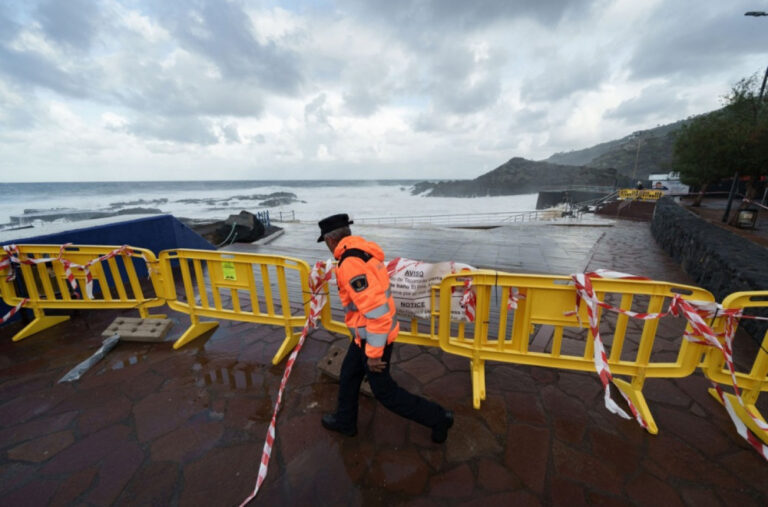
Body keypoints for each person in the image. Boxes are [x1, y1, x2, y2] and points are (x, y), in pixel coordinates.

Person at [317, 213, 453, 443]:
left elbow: (377, 312)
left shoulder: (350, 264)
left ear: (330, 241)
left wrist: (373, 354)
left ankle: (439, 418)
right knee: (349, 375)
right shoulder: (363, 251)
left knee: (386, 393)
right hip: (365, 335)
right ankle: (345, 422)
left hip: (373, 338)